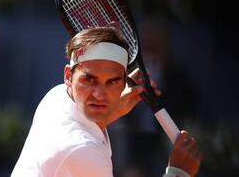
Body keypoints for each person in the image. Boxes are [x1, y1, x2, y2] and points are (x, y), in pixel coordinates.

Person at [11, 27, 201, 177]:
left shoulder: (56, 97)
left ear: (124, 82)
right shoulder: (83, 150)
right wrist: (178, 173)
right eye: (90, 79)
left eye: (112, 82)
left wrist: (111, 113)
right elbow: (81, 146)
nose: (100, 94)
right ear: (68, 76)